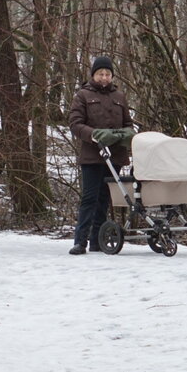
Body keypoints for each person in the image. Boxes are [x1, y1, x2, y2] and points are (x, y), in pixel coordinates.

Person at [68, 56, 134, 255]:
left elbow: (128, 125)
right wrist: (94, 135)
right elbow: (75, 124)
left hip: (114, 156)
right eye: (100, 74)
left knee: (105, 198)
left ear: (112, 76)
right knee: (89, 198)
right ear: (93, 75)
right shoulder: (83, 96)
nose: (104, 77)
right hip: (92, 156)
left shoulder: (120, 97)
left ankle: (97, 240)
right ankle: (80, 241)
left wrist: (124, 136)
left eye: (107, 74)